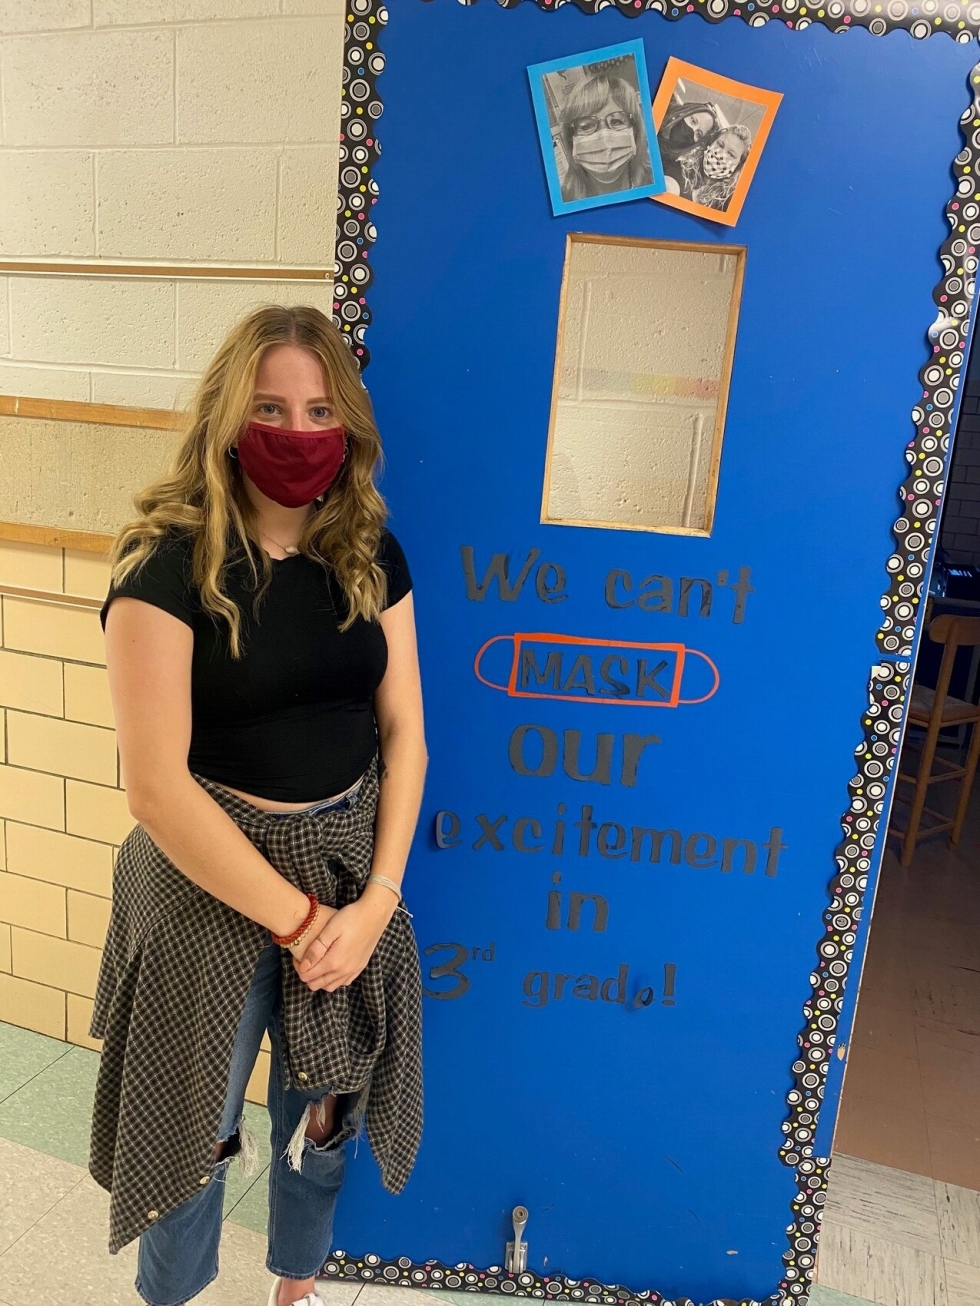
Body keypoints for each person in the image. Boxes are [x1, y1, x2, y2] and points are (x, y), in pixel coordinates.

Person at [90, 304, 427, 1306]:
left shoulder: (370, 555)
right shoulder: (165, 566)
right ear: (229, 418)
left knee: (323, 1111)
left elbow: (404, 731)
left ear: (349, 425)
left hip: (343, 873)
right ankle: (173, 1296)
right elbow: (155, 784)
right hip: (207, 886)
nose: (297, 428)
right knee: (192, 1127)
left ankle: (295, 1285)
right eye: (272, 406)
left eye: (320, 407)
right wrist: (305, 924)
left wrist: (372, 904)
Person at [556, 69, 654, 201]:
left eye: (616, 121)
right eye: (587, 126)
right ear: (571, 139)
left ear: (635, 130)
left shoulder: (658, 184)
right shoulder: (561, 199)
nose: (604, 138)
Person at [666, 123, 752, 212]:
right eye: (720, 144)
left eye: (731, 154)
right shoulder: (682, 168)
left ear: (738, 166)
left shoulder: (728, 204)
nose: (721, 154)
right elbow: (669, 185)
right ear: (710, 143)